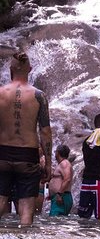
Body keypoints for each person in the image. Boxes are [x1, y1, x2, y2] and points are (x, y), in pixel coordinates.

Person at [0, 53, 52, 226]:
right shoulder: (39, 96)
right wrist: (49, 163)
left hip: (3, 152)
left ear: (10, 69)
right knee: (26, 207)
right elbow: (45, 132)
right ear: (30, 69)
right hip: (28, 155)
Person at [49, 145, 73, 217]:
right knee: (57, 223)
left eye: (55, 151)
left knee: (54, 223)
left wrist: (59, 194)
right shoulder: (62, 164)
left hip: (62, 196)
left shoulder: (64, 164)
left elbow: (67, 179)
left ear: (58, 153)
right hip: (60, 196)